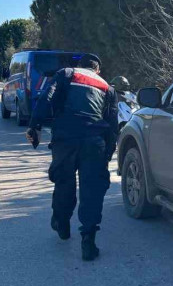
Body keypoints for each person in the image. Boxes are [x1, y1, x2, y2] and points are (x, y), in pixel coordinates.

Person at [26, 54, 118, 261]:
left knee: (64, 181)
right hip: (94, 141)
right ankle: (88, 241)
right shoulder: (107, 87)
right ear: (98, 70)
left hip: (65, 139)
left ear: (80, 66)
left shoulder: (66, 74)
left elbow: (46, 98)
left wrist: (35, 126)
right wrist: (108, 153)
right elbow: (112, 125)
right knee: (92, 188)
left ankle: (61, 223)